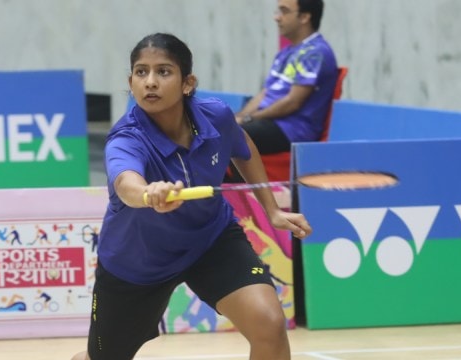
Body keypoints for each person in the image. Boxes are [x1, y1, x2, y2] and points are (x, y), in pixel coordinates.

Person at [71, 33, 312, 360]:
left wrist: (270, 209)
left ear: (188, 83)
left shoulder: (215, 116)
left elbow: (242, 147)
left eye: (164, 72)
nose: (151, 82)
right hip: (139, 262)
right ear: (131, 81)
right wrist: (148, 193)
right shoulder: (127, 138)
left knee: (269, 324)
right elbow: (126, 183)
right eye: (141, 73)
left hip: (209, 240)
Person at [235, 0, 337, 156]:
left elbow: (292, 102)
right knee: (215, 128)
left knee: (232, 136)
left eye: (284, 11)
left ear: (304, 17)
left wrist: (249, 119)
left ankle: (238, 181)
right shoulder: (287, 52)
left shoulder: (316, 53)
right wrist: (239, 117)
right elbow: (265, 93)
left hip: (292, 129)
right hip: (268, 122)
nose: (276, 17)